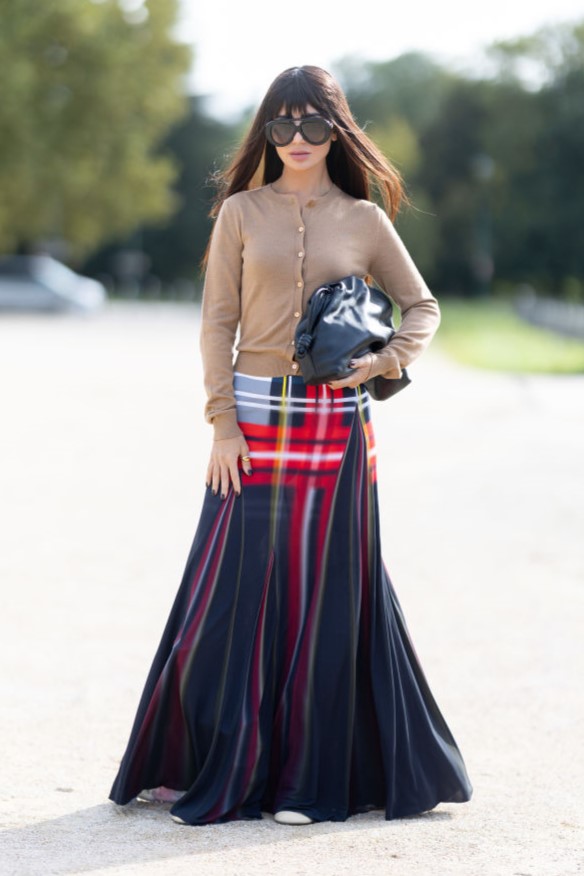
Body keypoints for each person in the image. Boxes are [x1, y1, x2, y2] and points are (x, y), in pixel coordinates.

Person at [109, 65, 472, 826]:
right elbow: (217, 323)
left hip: (337, 429)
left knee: (326, 600)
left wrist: (385, 362)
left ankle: (310, 780)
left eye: (314, 124)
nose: (299, 139)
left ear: (336, 130)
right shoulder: (241, 212)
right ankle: (206, 761)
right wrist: (220, 422)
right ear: (266, 132)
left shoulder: (365, 221)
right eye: (283, 124)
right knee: (226, 597)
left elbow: (422, 304)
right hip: (250, 423)